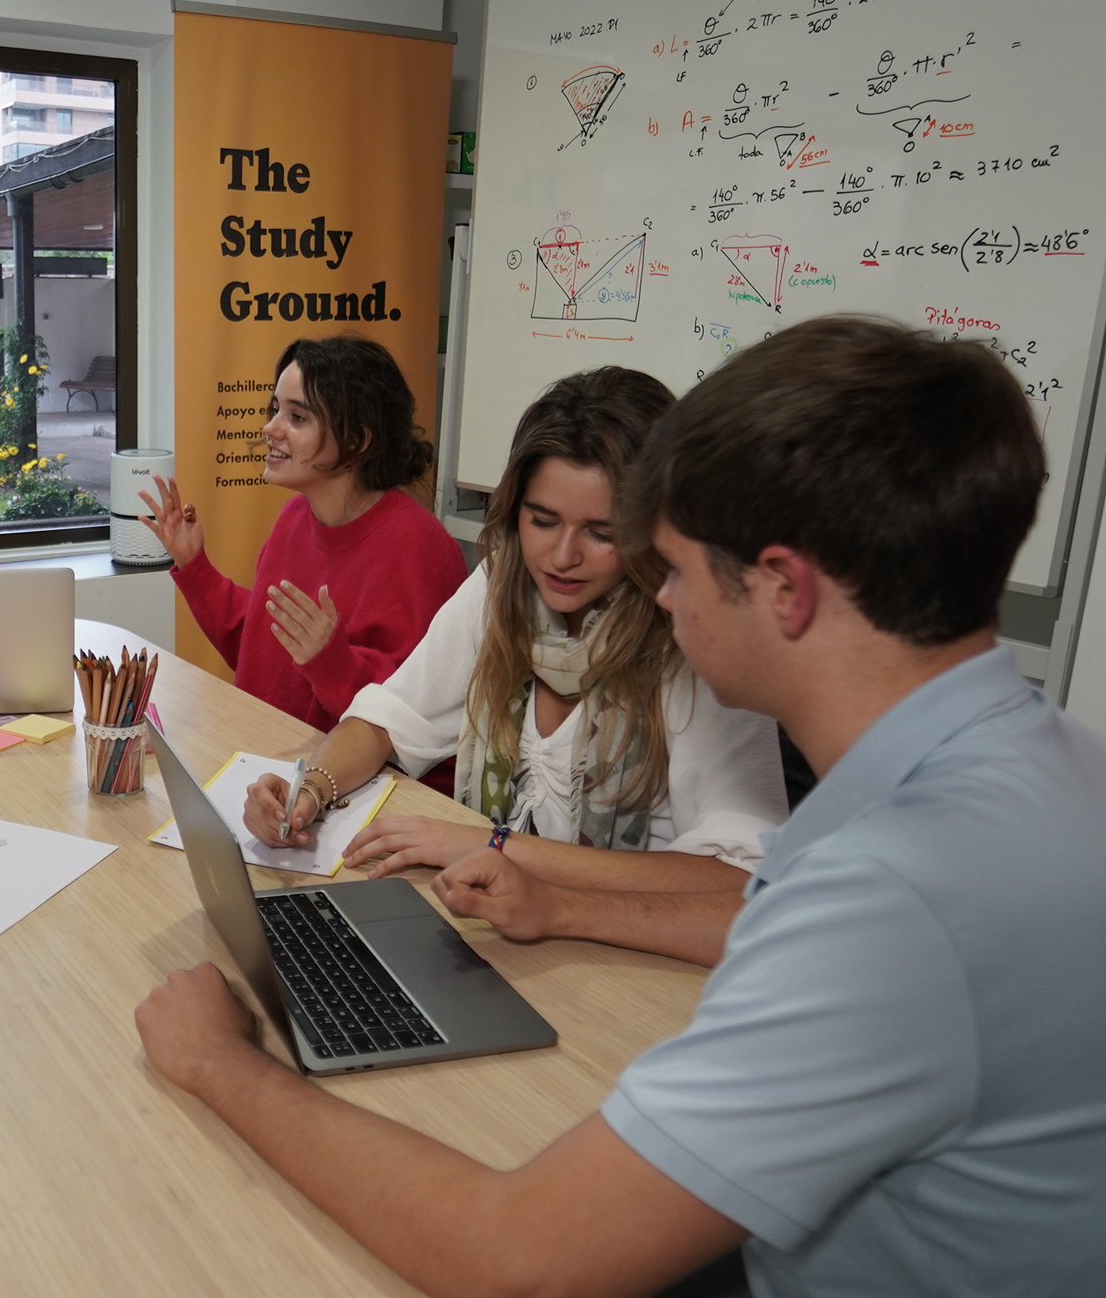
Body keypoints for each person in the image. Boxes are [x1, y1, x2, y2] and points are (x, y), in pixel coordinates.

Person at [138, 316, 1106, 1298]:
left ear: (783, 590)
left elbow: (518, 1260)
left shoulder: (889, 899)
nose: (662, 603)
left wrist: (227, 1063)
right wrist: (564, 903)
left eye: (674, 568)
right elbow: (757, 910)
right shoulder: (1031, 773)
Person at [243, 368, 786, 964]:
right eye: (542, 520)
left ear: (657, 531)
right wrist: (310, 793)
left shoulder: (698, 638)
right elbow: (386, 718)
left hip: (634, 966)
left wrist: (494, 845)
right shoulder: (504, 584)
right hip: (501, 937)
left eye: (603, 533)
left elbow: (741, 883)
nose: (562, 557)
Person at [138, 337, 467, 731]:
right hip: (267, 763)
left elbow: (413, 717)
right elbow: (261, 652)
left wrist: (331, 660)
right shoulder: (294, 516)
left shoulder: (420, 547)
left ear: (356, 441)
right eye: (276, 409)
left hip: (347, 784)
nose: (270, 428)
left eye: (297, 418)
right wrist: (195, 567)